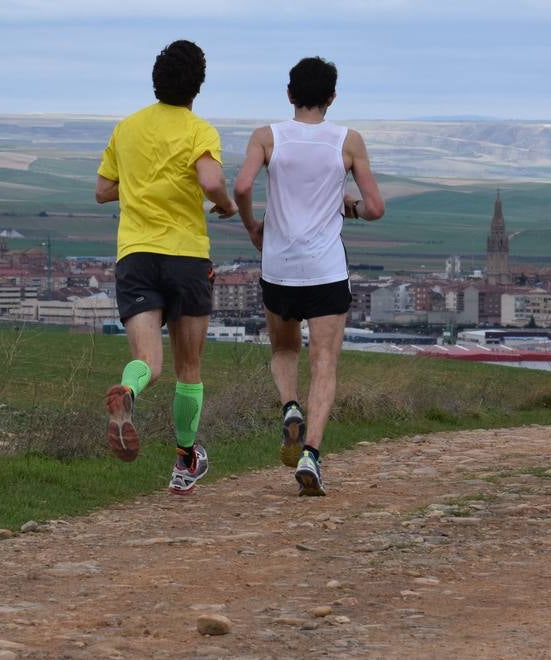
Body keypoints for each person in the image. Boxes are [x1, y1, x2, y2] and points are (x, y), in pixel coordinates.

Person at [232, 57, 385, 496]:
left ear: (289, 94)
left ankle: (289, 407)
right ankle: (311, 455)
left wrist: (253, 227)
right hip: (326, 270)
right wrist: (348, 205)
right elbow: (375, 208)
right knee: (325, 362)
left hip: (278, 267)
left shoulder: (267, 137)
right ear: (332, 97)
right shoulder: (348, 141)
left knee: (283, 350)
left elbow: (241, 187)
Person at [96, 40, 236, 495]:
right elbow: (211, 180)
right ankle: (183, 463)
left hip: (135, 254)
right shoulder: (199, 130)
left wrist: (140, 184)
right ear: (198, 85)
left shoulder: (127, 128)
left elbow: (102, 189)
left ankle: (128, 393)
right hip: (185, 255)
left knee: (147, 362)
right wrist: (226, 205)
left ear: (155, 79)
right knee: (188, 368)